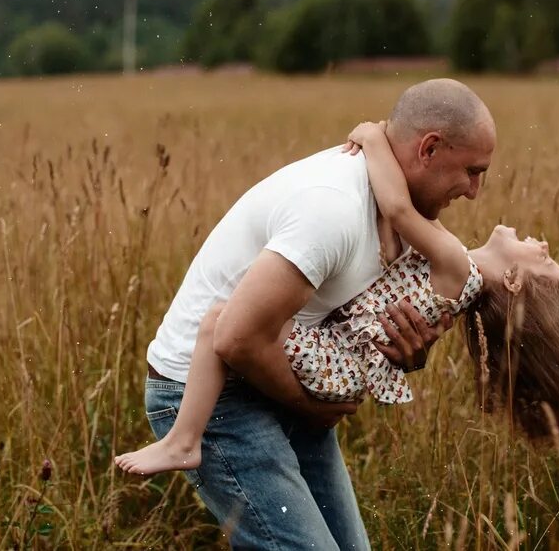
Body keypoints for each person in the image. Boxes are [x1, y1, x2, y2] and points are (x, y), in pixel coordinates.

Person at [117, 118, 559, 480]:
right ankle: (184, 437)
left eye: (546, 262)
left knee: (226, 322)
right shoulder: (450, 260)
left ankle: (184, 440)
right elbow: (395, 236)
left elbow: (397, 208)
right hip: (341, 362)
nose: (545, 246)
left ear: (513, 280)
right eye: (471, 171)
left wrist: (372, 135)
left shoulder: (455, 263)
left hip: (337, 364)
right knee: (228, 322)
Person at [136, 79, 496, 550]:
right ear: (429, 148)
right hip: (207, 392)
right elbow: (235, 339)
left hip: (273, 373)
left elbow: (347, 324)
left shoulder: (403, 209)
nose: (475, 191)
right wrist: (317, 409)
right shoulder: (333, 209)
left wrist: (403, 351)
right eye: (472, 171)